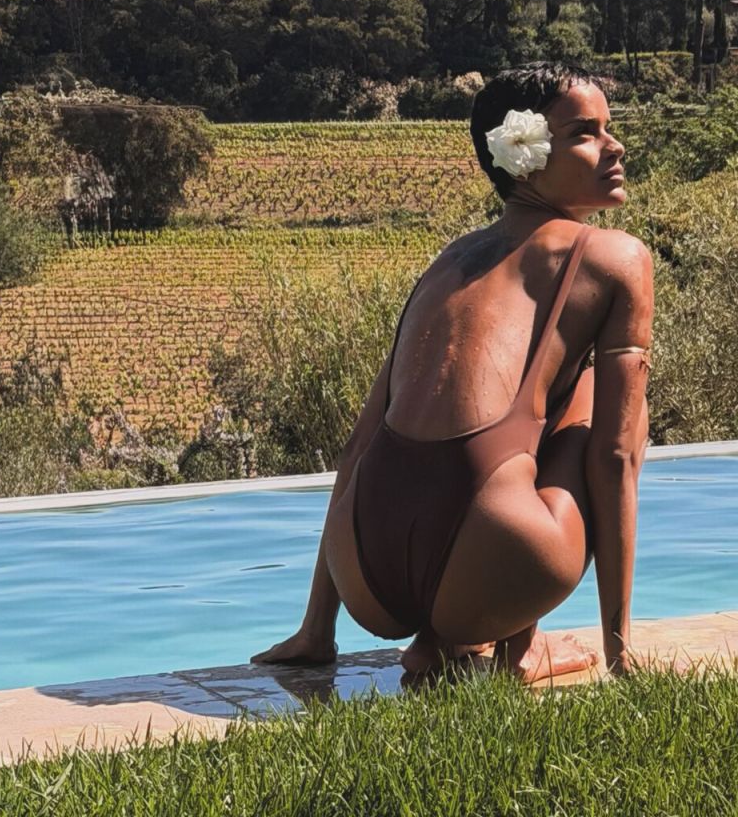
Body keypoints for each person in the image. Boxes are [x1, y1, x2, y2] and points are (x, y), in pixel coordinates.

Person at [252, 63, 653, 681]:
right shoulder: (614, 256)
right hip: (501, 551)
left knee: (528, 401)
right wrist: (621, 655)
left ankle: (440, 642)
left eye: (608, 128)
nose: (614, 145)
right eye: (585, 132)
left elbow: (360, 445)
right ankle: (520, 649)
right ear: (524, 155)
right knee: (608, 396)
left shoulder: (452, 259)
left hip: (367, 573)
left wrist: (317, 630)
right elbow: (615, 456)